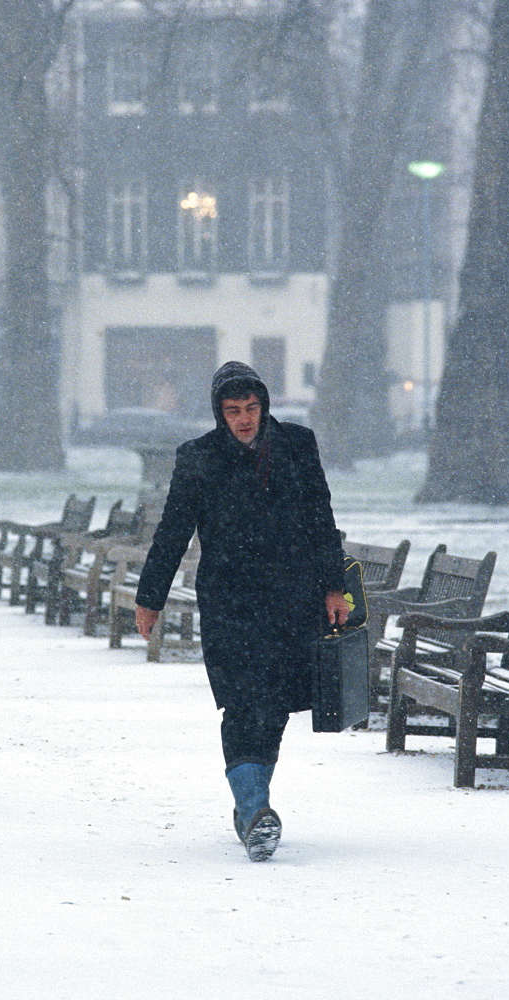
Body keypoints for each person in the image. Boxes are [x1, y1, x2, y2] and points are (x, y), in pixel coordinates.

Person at [135, 361, 348, 861]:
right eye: (233, 411)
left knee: (273, 706)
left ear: (264, 405)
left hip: (290, 599)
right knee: (241, 701)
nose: (244, 419)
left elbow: (321, 518)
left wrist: (334, 587)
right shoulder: (198, 458)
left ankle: (252, 809)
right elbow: (172, 532)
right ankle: (254, 806)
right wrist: (150, 598)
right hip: (229, 603)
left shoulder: (297, 446)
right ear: (219, 413)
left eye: (251, 408)